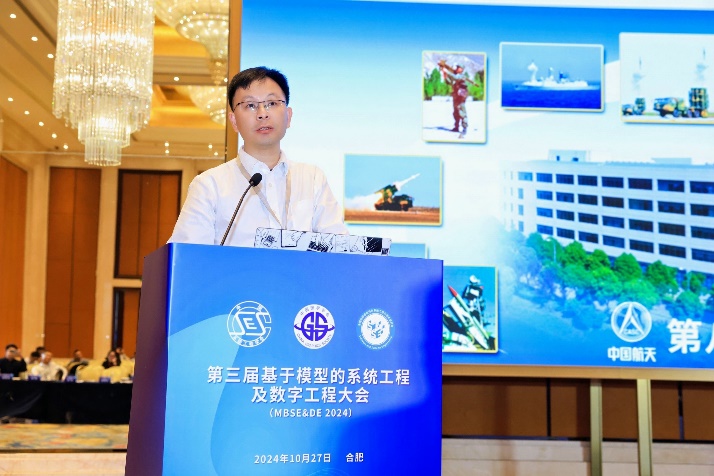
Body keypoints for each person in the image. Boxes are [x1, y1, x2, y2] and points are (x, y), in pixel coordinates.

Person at [169, 66, 348, 247]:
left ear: (288, 116)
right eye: (250, 105)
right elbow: (187, 255)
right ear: (234, 121)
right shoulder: (209, 185)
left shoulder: (313, 178)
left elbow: (340, 249)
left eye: (272, 103)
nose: (262, 114)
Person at [438, 61, 475, 139]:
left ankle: (464, 128)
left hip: (461, 96)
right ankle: (456, 127)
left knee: (462, 111)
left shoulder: (462, 76)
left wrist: (446, 71)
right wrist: (444, 74)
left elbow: (455, 78)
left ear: (462, 69)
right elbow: (449, 82)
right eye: (457, 67)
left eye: (459, 67)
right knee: (455, 112)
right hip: (456, 95)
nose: (457, 68)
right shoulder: (455, 75)